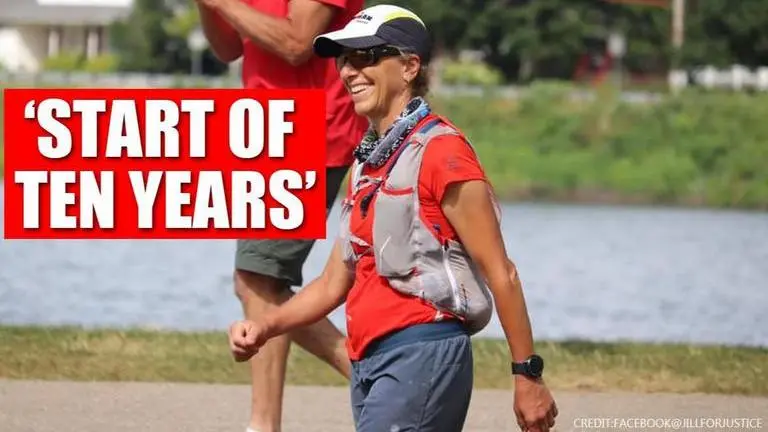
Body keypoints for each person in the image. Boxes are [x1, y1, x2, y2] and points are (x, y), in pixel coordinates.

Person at [228, 4, 559, 432]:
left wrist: (526, 374)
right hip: (371, 363)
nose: (349, 71)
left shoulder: (443, 152)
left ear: (409, 66)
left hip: (421, 355)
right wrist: (265, 325)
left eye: (366, 57)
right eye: (344, 59)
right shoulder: (366, 164)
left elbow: (502, 273)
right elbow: (332, 284)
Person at [193, 0, 368, 431]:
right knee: (257, 279)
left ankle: (371, 382)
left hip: (313, 129)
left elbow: (297, 43)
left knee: (258, 278)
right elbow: (227, 49)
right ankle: (374, 380)